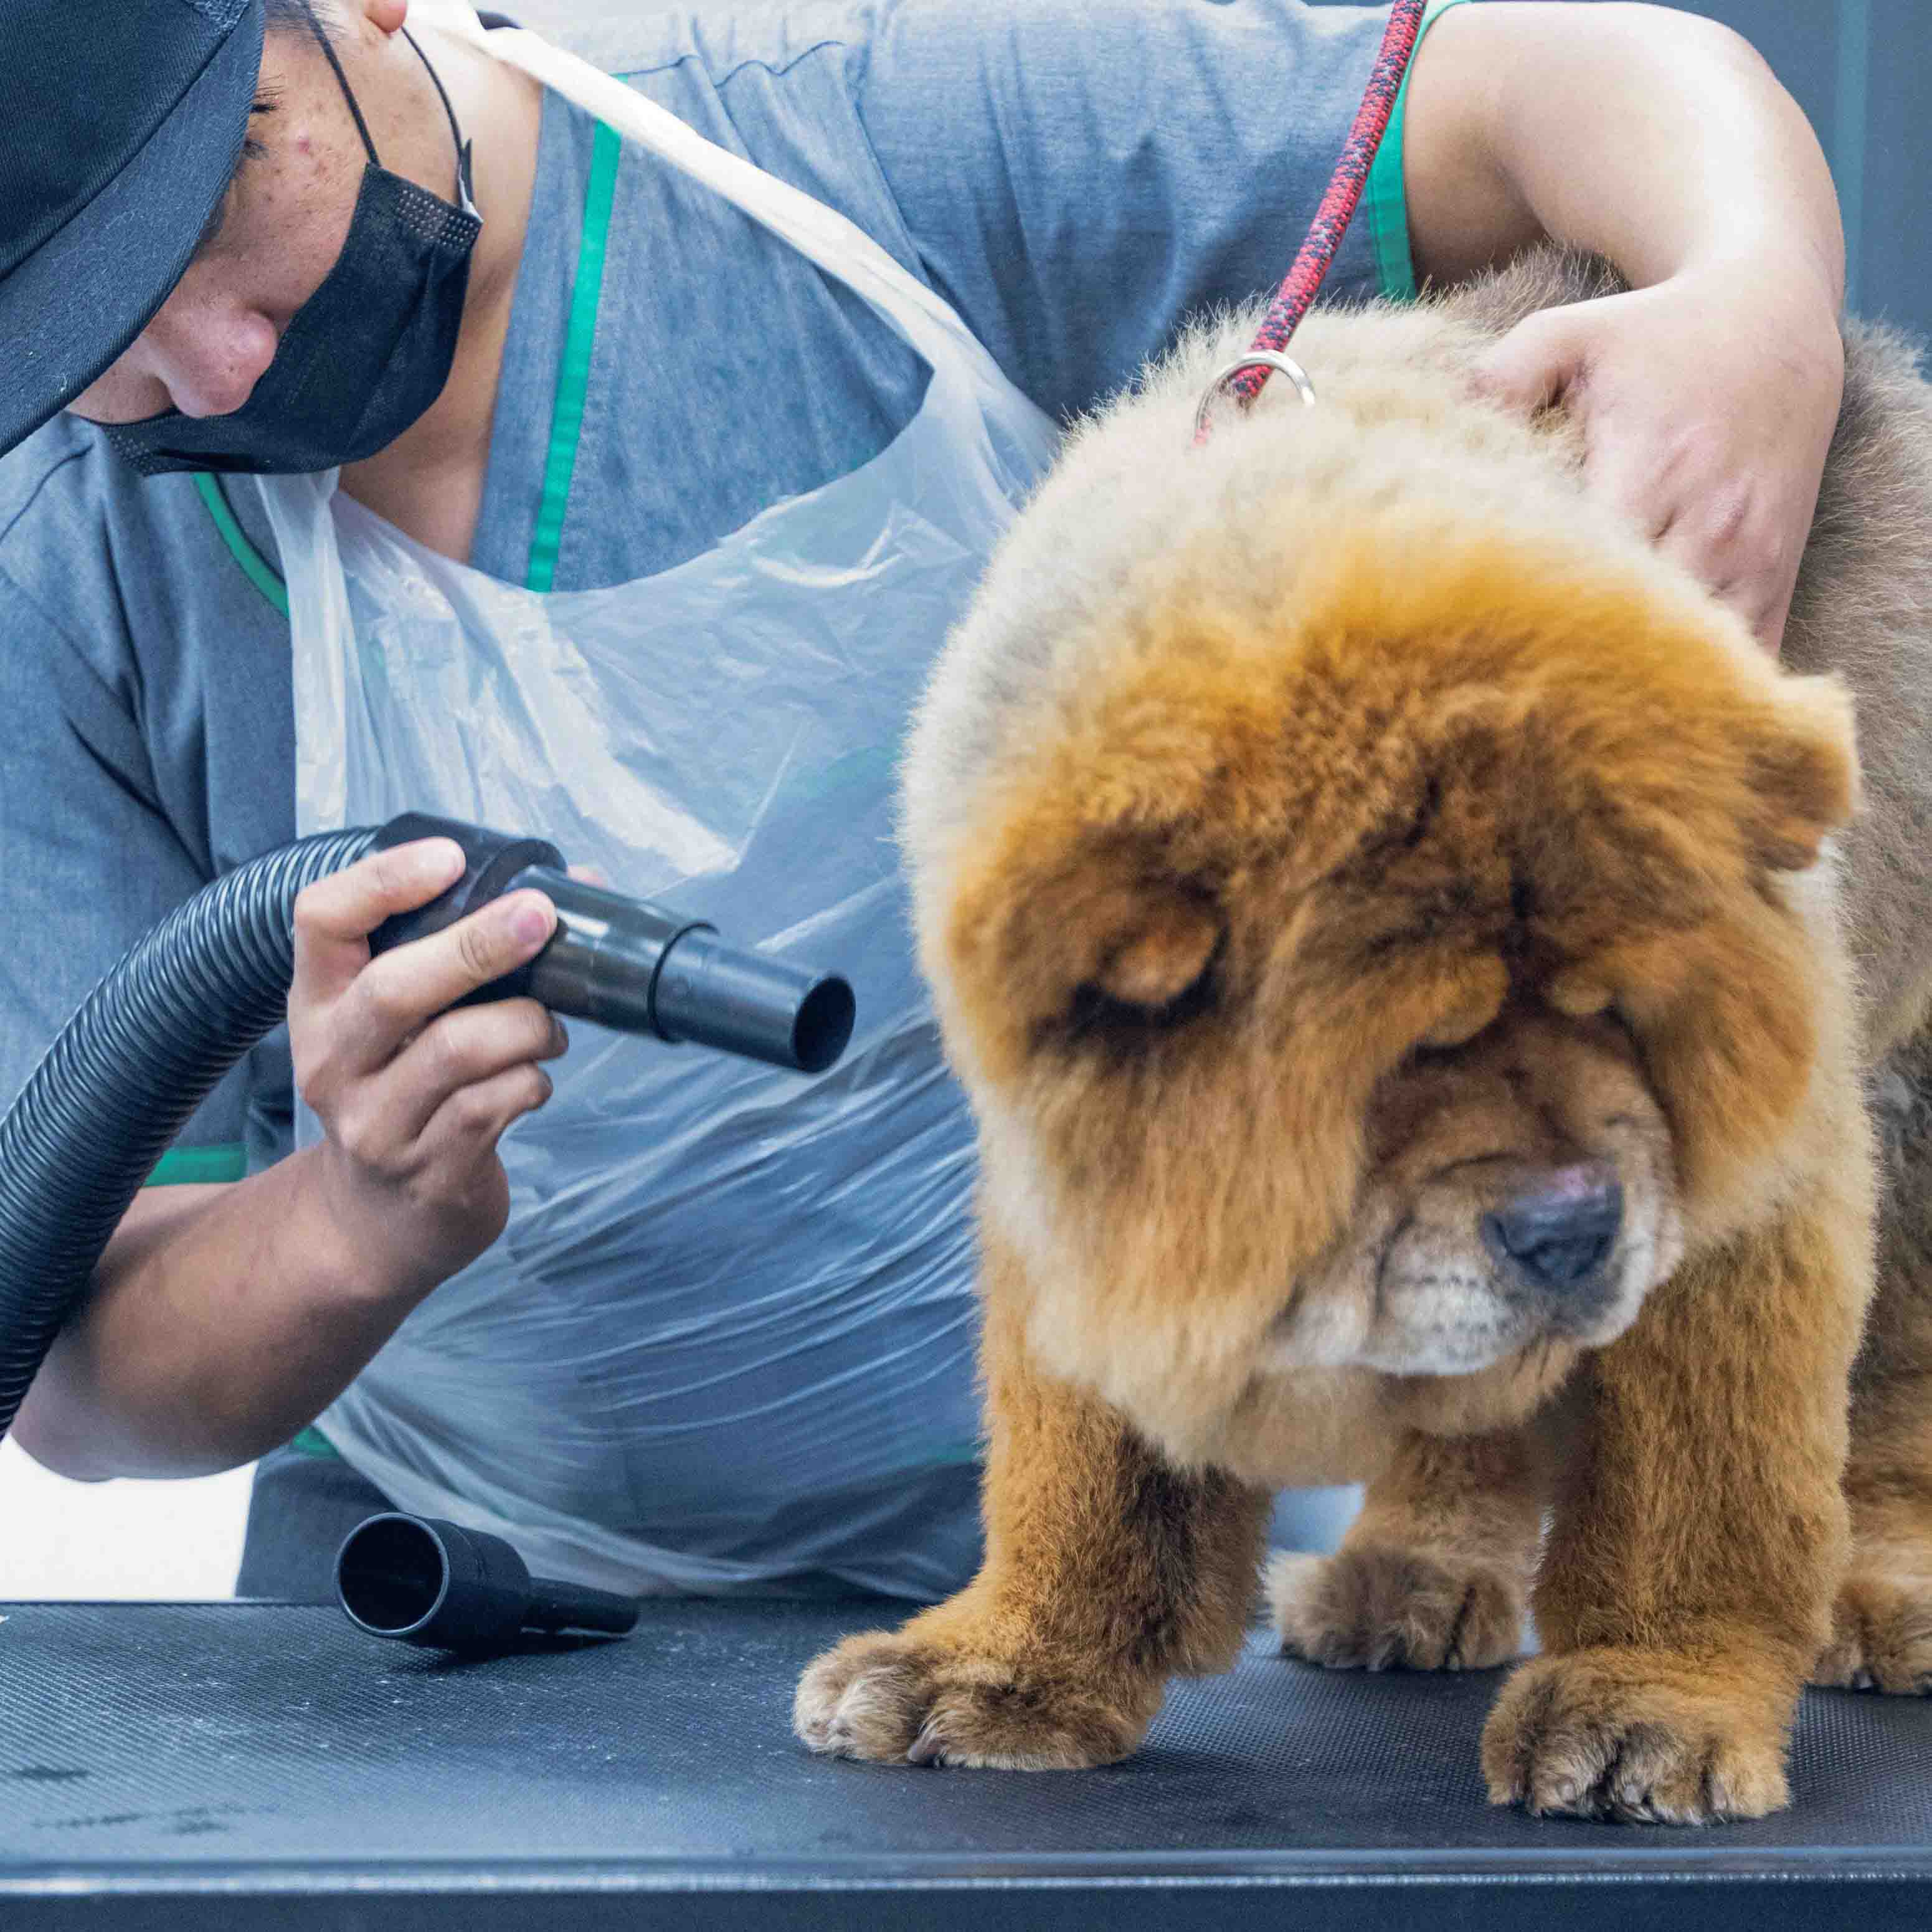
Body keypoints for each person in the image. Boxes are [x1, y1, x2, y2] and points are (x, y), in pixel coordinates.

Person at [0, 0, 1847, 1601]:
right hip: (468, 1615)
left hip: (1157, 1515)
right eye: (104, 339)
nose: (219, 368)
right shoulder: (65, 575)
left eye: (232, 193)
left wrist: (1757, 303)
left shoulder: (853, 147)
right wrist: (355, 1218)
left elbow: (1550, 73)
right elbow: (72, 1369)